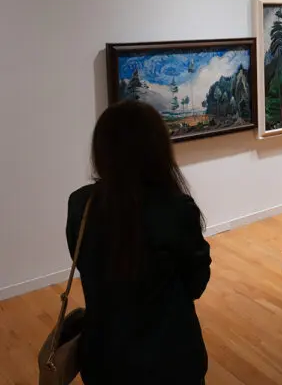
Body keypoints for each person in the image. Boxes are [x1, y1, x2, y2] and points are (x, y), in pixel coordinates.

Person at [66, 100, 211, 385]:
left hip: (103, 356)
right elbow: (196, 283)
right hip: (170, 358)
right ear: (158, 150)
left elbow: (82, 257)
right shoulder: (176, 208)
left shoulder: (80, 203)